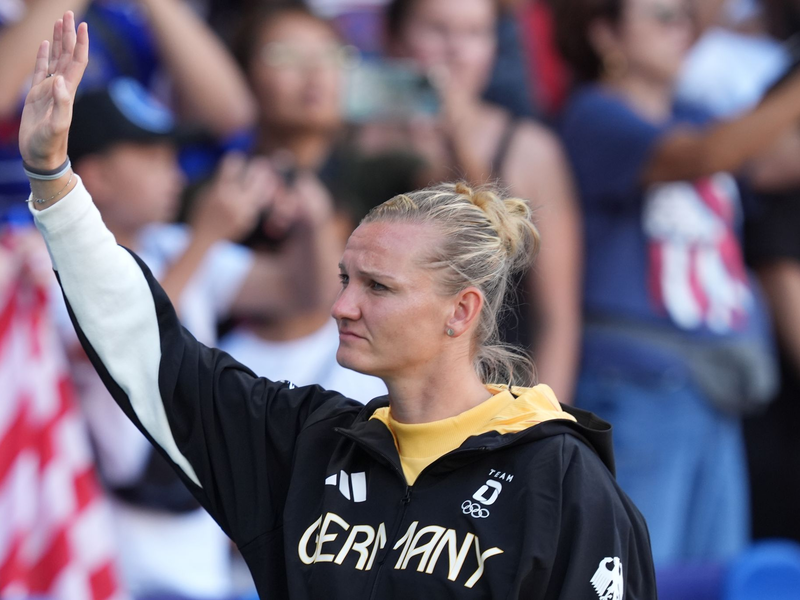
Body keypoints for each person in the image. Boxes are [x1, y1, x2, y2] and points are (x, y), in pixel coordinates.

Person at [21, 13, 657, 599]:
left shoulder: (560, 477)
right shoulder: (306, 441)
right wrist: (53, 180)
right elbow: (149, 349)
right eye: (345, 279)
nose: (342, 306)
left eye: (378, 287)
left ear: (460, 312)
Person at [553, 0, 800, 566]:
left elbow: (764, 155)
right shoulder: (594, 114)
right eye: (663, 17)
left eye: (686, 17)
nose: (683, 30)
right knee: (636, 572)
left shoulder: (696, 111)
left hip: (713, 388)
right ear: (605, 35)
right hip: (637, 380)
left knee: (710, 579)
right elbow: (707, 155)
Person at [376, 0, 583, 403]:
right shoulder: (356, 138)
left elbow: (557, 318)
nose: (456, 49)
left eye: (475, 33)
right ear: (395, 37)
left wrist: (546, 423)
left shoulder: (532, 149)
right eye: (437, 29)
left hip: (487, 396)